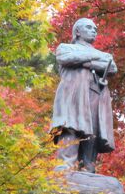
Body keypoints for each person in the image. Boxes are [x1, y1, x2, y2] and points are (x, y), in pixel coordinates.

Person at [50, 18, 117, 172]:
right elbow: (65, 58)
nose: (94, 31)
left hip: (95, 94)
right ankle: (66, 166)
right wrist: (94, 58)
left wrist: (87, 62)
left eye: (95, 29)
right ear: (78, 31)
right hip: (73, 94)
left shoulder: (102, 54)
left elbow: (112, 67)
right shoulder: (66, 47)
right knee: (71, 126)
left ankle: (87, 168)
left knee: (93, 130)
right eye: (89, 27)